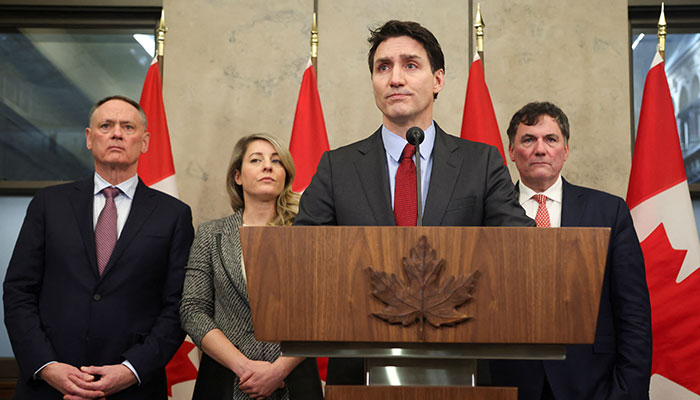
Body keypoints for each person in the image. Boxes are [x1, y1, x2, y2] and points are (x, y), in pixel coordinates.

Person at [294, 20, 534, 384]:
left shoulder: (480, 163)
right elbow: (303, 256)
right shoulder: (337, 167)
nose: (395, 79)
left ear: (437, 80)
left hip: (462, 362)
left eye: (410, 65)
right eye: (383, 67)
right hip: (359, 367)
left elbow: (520, 249)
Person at [3, 95, 194, 399]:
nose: (117, 133)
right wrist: (47, 365)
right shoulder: (48, 204)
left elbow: (178, 306)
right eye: (106, 125)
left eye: (127, 127)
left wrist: (131, 369)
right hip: (48, 387)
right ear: (90, 139)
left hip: (132, 389)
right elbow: (18, 291)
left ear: (144, 142)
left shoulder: (174, 215)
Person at [490, 101, 652, 399]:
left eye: (551, 139)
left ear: (565, 150)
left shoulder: (609, 211)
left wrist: (627, 392)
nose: (540, 149)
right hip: (510, 382)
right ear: (511, 152)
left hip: (592, 383)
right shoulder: (488, 214)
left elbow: (634, 314)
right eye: (528, 139)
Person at [180, 134, 323, 400]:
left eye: (276, 161)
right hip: (224, 377)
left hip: (294, 379)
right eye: (256, 160)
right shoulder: (211, 234)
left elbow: (324, 310)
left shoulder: (308, 233)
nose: (267, 166)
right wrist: (243, 366)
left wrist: (278, 370)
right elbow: (193, 309)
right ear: (238, 176)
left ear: (285, 176)